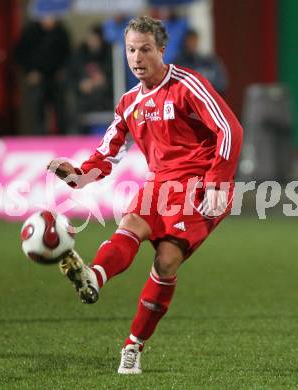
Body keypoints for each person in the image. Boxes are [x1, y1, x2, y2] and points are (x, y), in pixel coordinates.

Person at [48, 16, 243, 374]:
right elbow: (108, 152)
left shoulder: (188, 85)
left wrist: (217, 180)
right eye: (131, 50)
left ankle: (133, 346)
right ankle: (94, 277)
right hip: (159, 185)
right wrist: (77, 177)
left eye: (145, 49)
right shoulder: (128, 102)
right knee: (131, 223)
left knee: (165, 262)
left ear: (161, 50)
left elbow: (229, 128)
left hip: (200, 183)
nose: (137, 58)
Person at [15, 15, 71, 134]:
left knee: (61, 108)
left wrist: (63, 70)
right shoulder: (30, 32)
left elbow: (68, 54)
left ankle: (63, 137)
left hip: (56, 77)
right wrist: (29, 72)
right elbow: (20, 54)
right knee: (37, 109)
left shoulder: (61, 32)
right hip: (37, 78)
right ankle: (39, 137)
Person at [70, 25, 113, 134]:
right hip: (84, 99)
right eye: (90, 38)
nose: (92, 42)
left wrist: (103, 81)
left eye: (95, 39)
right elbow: (72, 77)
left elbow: (114, 78)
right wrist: (81, 84)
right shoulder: (79, 54)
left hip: (105, 97)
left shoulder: (109, 54)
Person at [175, 29, 228, 96]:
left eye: (194, 40)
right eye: (189, 41)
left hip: (209, 100)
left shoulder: (210, 62)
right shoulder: (178, 64)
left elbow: (222, 84)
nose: (192, 44)